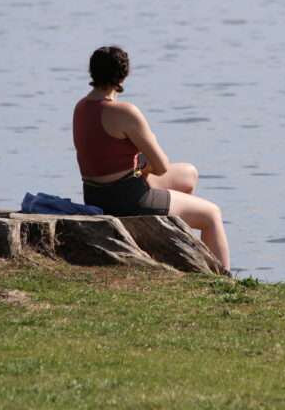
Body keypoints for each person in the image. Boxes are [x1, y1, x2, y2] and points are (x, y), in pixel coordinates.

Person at [72, 46, 231, 271]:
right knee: (212, 214)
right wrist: (145, 162)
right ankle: (224, 282)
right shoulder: (124, 112)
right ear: (124, 76)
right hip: (129, 200)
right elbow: (161, 166)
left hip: (97, 194)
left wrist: (139, 164)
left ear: (92, 73)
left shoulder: (81, 107)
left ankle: (179, 252)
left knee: (188, 174)